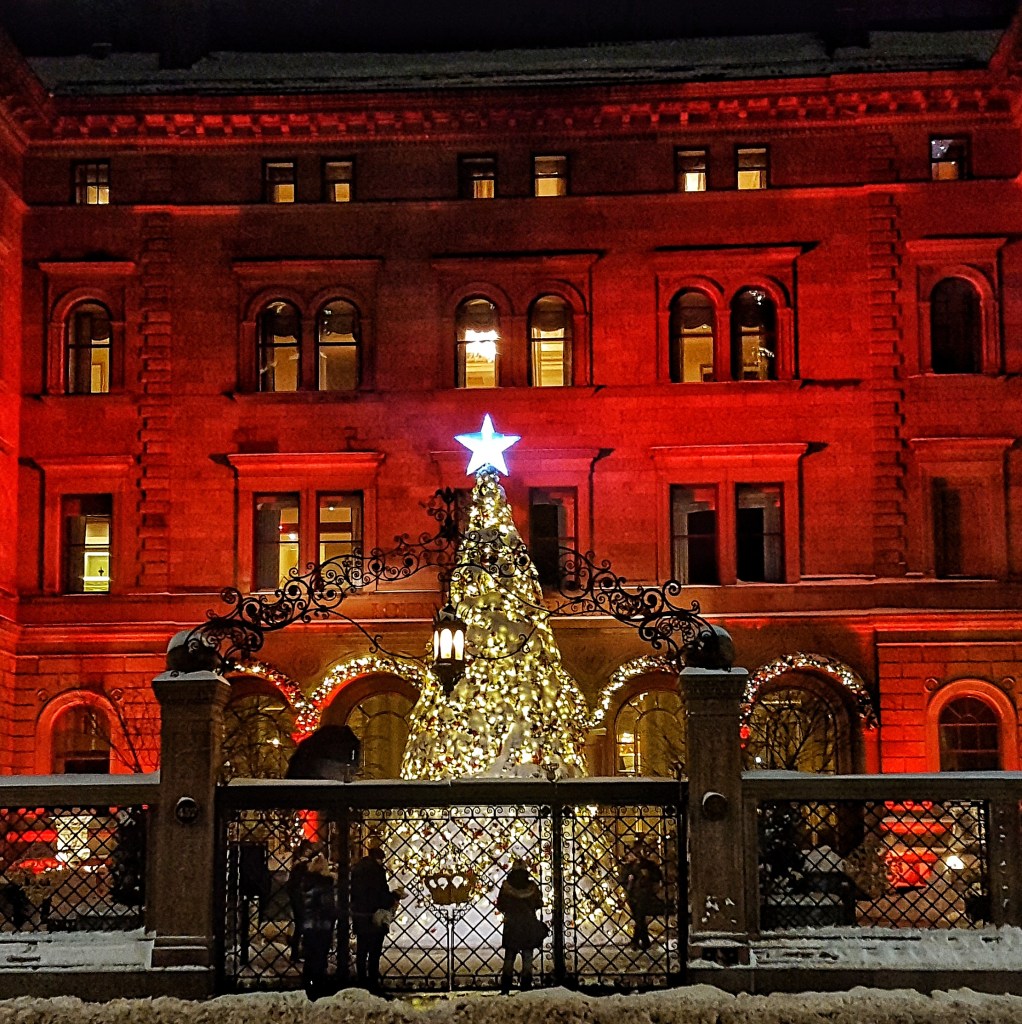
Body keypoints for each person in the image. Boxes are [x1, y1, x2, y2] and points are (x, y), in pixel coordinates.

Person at [349, 845, 400, 994]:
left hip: (360, 915)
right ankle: (372, 982)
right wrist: (394, 897)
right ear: (379, 859)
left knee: (362, 949)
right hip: (375, 916)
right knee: (374, 951)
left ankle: (361, 980)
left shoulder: (357, 870)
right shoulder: (377, 872)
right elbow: (380, 894)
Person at [495, 858, 545, 994]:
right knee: (527, 955)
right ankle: (526, 985)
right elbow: (539, 903)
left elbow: (500, 905)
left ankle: (505, 986)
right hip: (528, 923)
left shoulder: (506, 886)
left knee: (509, 956)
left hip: (511, 924)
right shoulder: (532, 887)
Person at [300, 853, 337, 1000]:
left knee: (310, 957)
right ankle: (319, 987)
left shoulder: (306, 884)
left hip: (309, 925)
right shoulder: (324, 885)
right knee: (320, 957)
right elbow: (327, 906)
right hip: (322, 926)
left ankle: (308, 985)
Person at [619, 843, 662, 951]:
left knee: (639, 917)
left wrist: (648, 878)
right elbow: (622, 879)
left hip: (644, 894)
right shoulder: (629, 866)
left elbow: (657, 877)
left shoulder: (649, 866)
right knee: (639, 918)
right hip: (633, 894)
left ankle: (642, 941)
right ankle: (637, 940)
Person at [286, 840, 316, 959]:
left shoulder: (296, 863)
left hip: (297, 897)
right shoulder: (303, 864)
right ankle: (300, 951)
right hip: (301, 898)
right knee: (302, 925)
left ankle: (296, 951)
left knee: (299, 925)